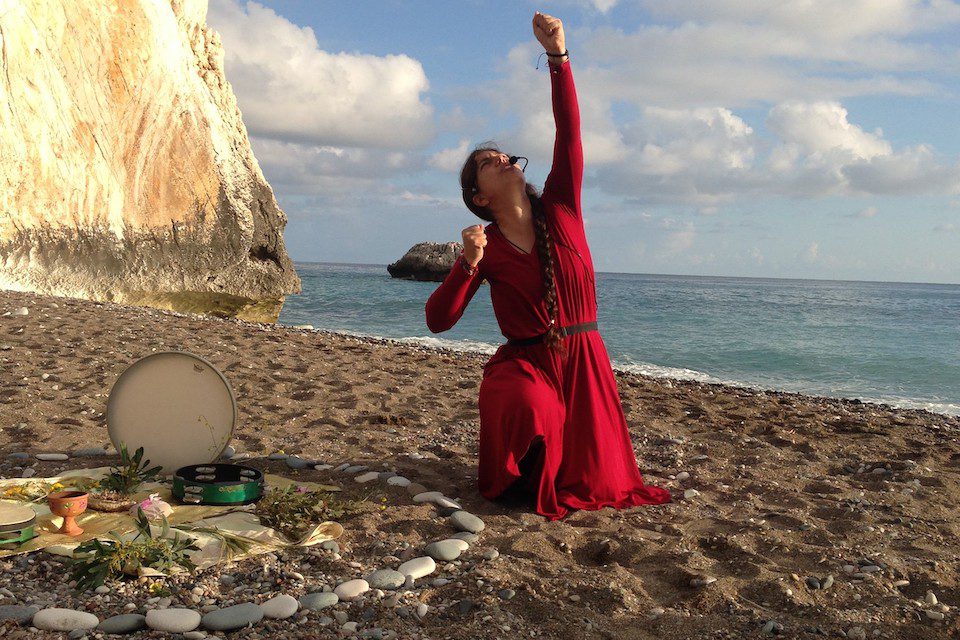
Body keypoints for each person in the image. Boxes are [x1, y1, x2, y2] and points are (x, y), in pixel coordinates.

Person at [425, 11, 672, 520]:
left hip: (584, 358)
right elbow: (438, 321)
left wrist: (558, 57)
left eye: (504, 156)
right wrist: (466, 266)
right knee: (526, 404)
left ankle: (550, 469)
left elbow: (569, 135)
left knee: (600, 485)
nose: (502, 159)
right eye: (487, 161)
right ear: (477, 196)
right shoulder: (484, 245)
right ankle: (525, 475)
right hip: (527, 362)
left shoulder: (562, 207)